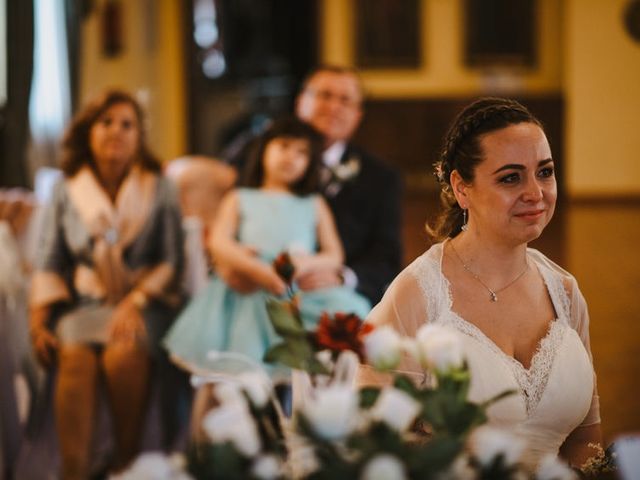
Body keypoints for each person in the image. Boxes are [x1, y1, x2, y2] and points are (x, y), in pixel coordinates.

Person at [358, 98, 601, 470]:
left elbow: (585, 437)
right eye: (510, 177)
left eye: (545, 172)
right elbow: (370, 442)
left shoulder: (564, 292)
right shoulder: (418, 295)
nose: (536, 193)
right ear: (461, 188)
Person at [28, 90, 184, 478]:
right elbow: (49, 258)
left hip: (146, 301)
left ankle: (125, 462)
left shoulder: (159, 187)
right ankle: (74, 469)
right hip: (83, 303)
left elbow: (172, 260)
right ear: (88, 131)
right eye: (106, 122)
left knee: (123, 353)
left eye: (126, 124)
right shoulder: (66, 190)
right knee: (75, 356)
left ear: (139, 135)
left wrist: (135, 300)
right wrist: (37, 318)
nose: (116, 131)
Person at [163, 117, 370, 378]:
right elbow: (219, 241)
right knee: (236, 371)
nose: (291, 157)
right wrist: (252, 267)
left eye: (302, 152)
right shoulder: (240, 198)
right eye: (283, 146)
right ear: (264, 150)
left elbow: (333, 253)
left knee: (352, 319)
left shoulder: (313, 203)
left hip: (297, 292)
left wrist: (305, 264)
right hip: (247, 293)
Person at [223, 65, 403, 306]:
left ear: (358, 115)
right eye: (324, 95)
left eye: (345, 100)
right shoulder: (253, 153)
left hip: (332, 302)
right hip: (253, 291)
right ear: (300, 102)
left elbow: (386, 256)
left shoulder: (381, 178)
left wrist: (343, 277)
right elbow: (219, 217)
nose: (334, 107)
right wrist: (227, 263)